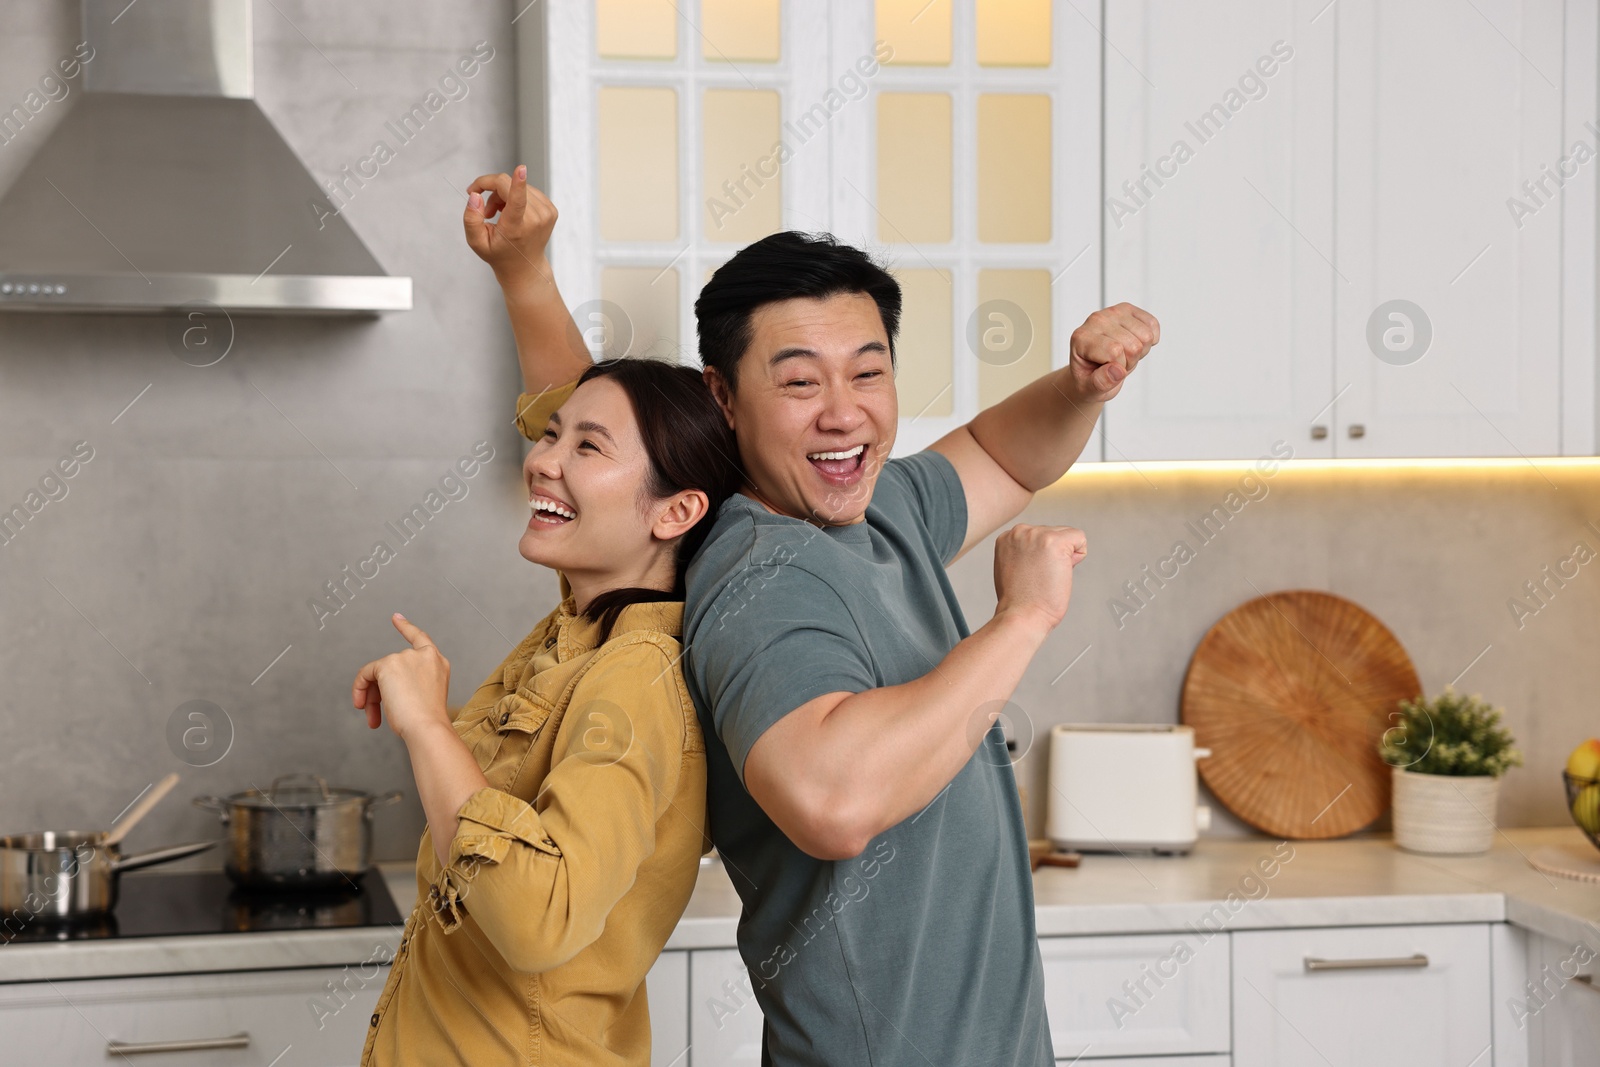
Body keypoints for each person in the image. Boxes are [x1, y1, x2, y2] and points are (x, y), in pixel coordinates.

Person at [483, 166, 1159, 1066]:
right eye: (800, 383)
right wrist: (1021, 621)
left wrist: (1080, 387)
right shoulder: (757, 576)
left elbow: (1005, 453)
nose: (846, 412)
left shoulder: (879, 506)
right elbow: (831, 799)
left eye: (869, 372)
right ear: (725, 399)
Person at [350, 165, 741, 1066]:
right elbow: (563, 409)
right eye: (550, 437)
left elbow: (538, 914)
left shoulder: (634, 682)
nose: (543, 458)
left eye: (585, 445)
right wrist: (522, 268)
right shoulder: (585, 623)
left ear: (676, 510)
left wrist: (424, 726)